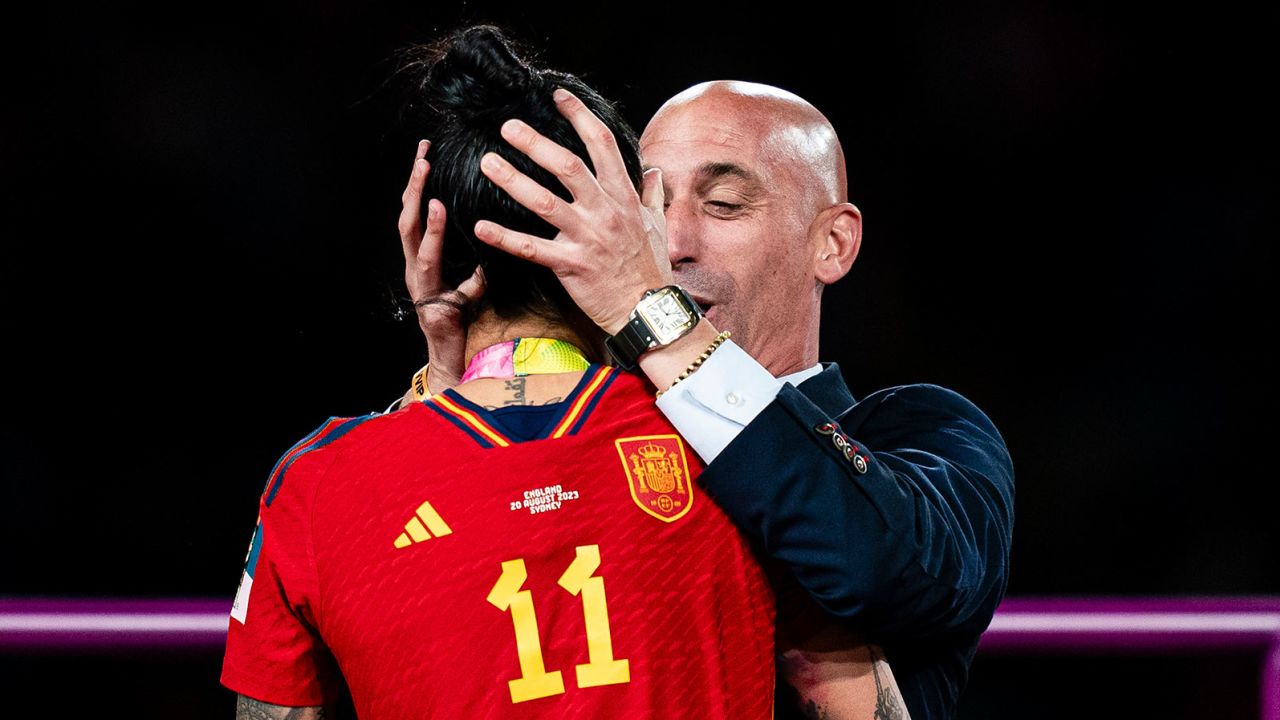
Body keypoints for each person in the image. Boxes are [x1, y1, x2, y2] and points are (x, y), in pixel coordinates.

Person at [222, 26, 907, 719]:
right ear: (626, 226)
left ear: (440, 241)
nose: (672, 242)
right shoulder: (734, 451)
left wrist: (436, 377)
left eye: (723, 205)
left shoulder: (315, 486)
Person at [402, 78, 1015, 718]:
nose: (668, 245)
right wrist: (451, 371)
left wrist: (650, 314)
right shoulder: (579, 432)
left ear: (832, 244)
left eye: (722, 205)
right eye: (651, 208)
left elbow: (885, 567)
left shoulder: (926, 430)